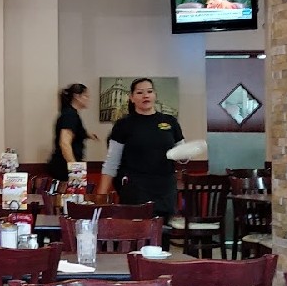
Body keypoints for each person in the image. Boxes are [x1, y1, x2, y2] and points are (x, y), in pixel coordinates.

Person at [96, 77, 185, 218]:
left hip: (165, 189)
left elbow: (182, 152)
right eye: (139, 92)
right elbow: (111, 163)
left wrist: (185, 156)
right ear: (131, 98)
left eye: (149, 91)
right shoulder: (123, 125)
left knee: (163, 229)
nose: (145, 95)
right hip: (135, 190)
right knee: (136, 229)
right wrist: (100, 197)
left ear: (155, 95)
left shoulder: (170, 122)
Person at [45, 83, 100, 182]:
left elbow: (74, 132)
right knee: (69, 192)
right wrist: (75, 169)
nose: (88, 99)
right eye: (86, 96)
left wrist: (88, 135)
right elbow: (64, 143)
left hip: (65, 165)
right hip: (64, 167)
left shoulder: (71, 114)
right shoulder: (70, 115)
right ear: (77, 96)